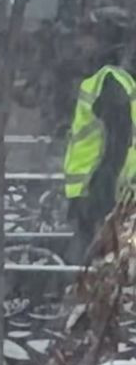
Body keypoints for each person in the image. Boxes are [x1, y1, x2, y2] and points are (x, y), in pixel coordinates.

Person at [62, 39, 136, 264]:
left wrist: (102, 186)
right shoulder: (118, 82)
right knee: (105, 257)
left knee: (91, 259)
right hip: (107, 186)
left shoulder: (105, 82)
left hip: (96, 188)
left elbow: (118, 139)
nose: (80, 46)